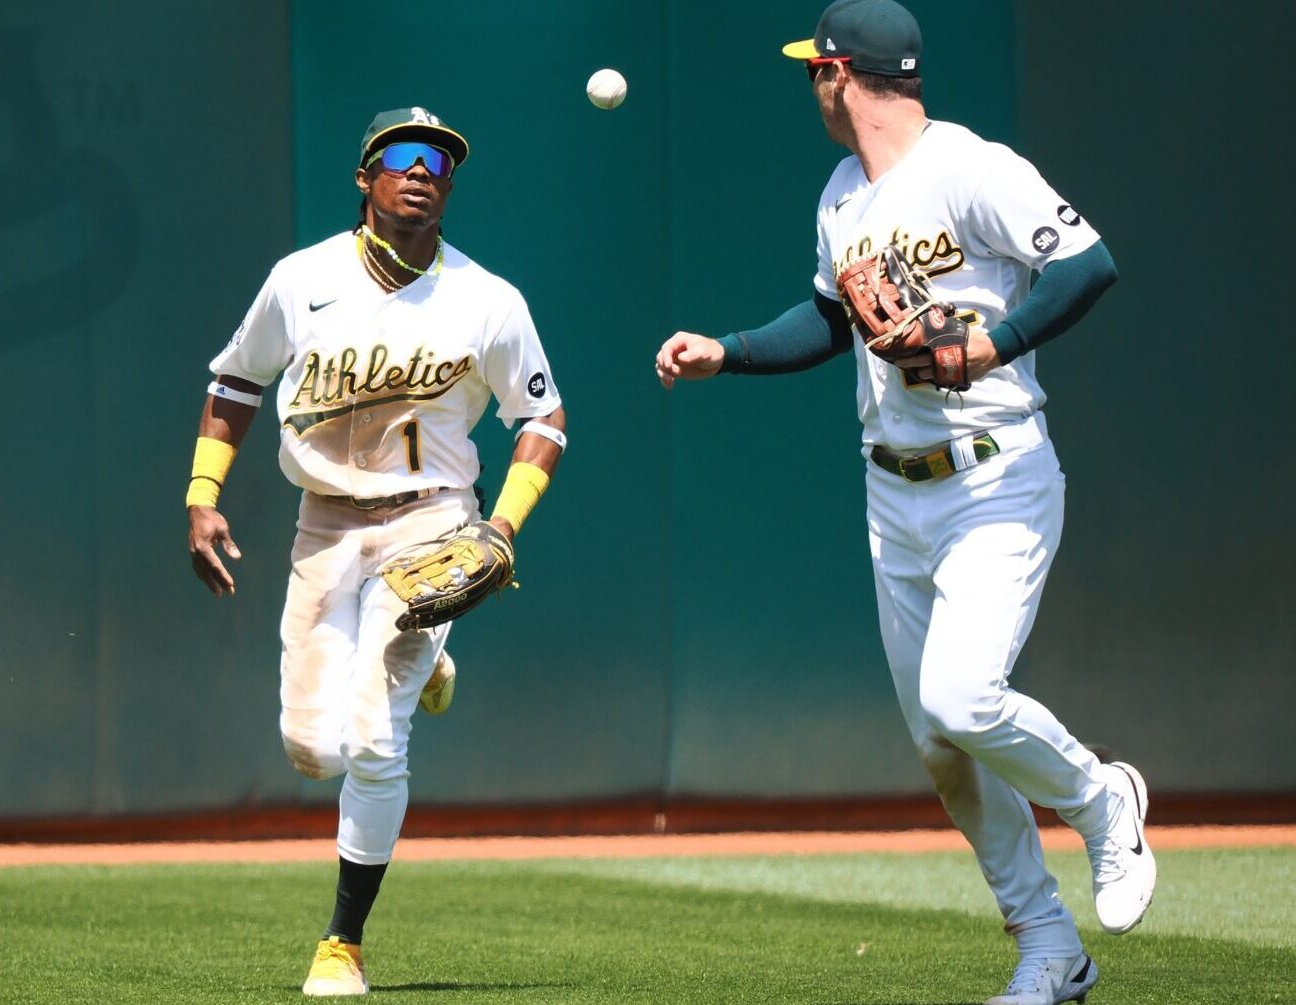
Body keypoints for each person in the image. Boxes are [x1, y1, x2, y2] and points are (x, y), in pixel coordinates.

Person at [654, 2, 1153, 1003]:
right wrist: (733, 354)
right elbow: (832, 318)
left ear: (841, 74)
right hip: (895, 492)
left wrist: (990, 346)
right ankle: (1048, 944)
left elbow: (1087, 263)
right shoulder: (845, 192)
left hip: (993, 478)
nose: (810, 89)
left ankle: (1102, 800)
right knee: (941, 743)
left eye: (813, 71)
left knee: (962, 700)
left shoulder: (970, 167)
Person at [184, 106, 566, 997]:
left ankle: (342, 941)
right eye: (401, 156)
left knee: (372, 736)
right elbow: (235, 379)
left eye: (439, 159)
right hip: (323, 523)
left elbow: (543, 419)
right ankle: (436, 668)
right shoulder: (302, 279)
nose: (423, 170)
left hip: (433, 518)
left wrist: (499, 526)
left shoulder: (488, 299)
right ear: (366, 177)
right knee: (311, 747)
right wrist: (202, 495)